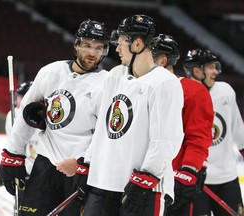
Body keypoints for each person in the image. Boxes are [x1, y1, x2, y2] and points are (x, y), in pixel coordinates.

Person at [74, 14, 184, 216]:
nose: (116, 48)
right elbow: (103, 128)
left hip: (144, 189)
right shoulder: (115, 75)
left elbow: (166, 140)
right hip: (104, 185)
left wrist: (145, 179)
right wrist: (88, 162)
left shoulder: (165, 82)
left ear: (138, 44)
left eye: (122, 42)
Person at [0, 19, 110, 216]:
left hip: (79, 170)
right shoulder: (51, 72)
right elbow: (26, 114)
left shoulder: (107, 83)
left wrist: (83, 163)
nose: (92, 53)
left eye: (98, 48)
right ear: (76, 45)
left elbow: (105, 133)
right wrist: (12, 155)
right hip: (46, 163)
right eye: (87, 45)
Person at [151, 34, 214, 215]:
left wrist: (189, 170)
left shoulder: (193, 91)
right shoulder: (137, 87)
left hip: (173, 182)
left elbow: (199, 138)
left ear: (162, 61)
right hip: (138, 180)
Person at [186, 49, 244, 215]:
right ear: (197, 70)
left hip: (227, 179)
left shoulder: (225, 91)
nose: (216, 71)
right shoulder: (182, 94)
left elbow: (238, 130)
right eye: (211, 67)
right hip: (196, 181)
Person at [5, 81, 37, 174]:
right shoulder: (12, 114)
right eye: (19, 96)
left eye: (23, 96)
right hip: (22, 161)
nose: (20, 100)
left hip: (39, 161)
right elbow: (12, 140)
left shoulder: (39, 113)